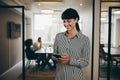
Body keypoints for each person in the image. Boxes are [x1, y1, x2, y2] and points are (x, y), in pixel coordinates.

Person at [53, 8, 90, 80]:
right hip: (60, 76)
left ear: (76, 20)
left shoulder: (85, 39)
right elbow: (54, 54)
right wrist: (56, 58)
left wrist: (70, 60)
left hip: (75, 77)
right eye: (64, 21)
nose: (66, 24)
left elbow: (85, 62)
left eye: (69, 21)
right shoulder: (58, 36)